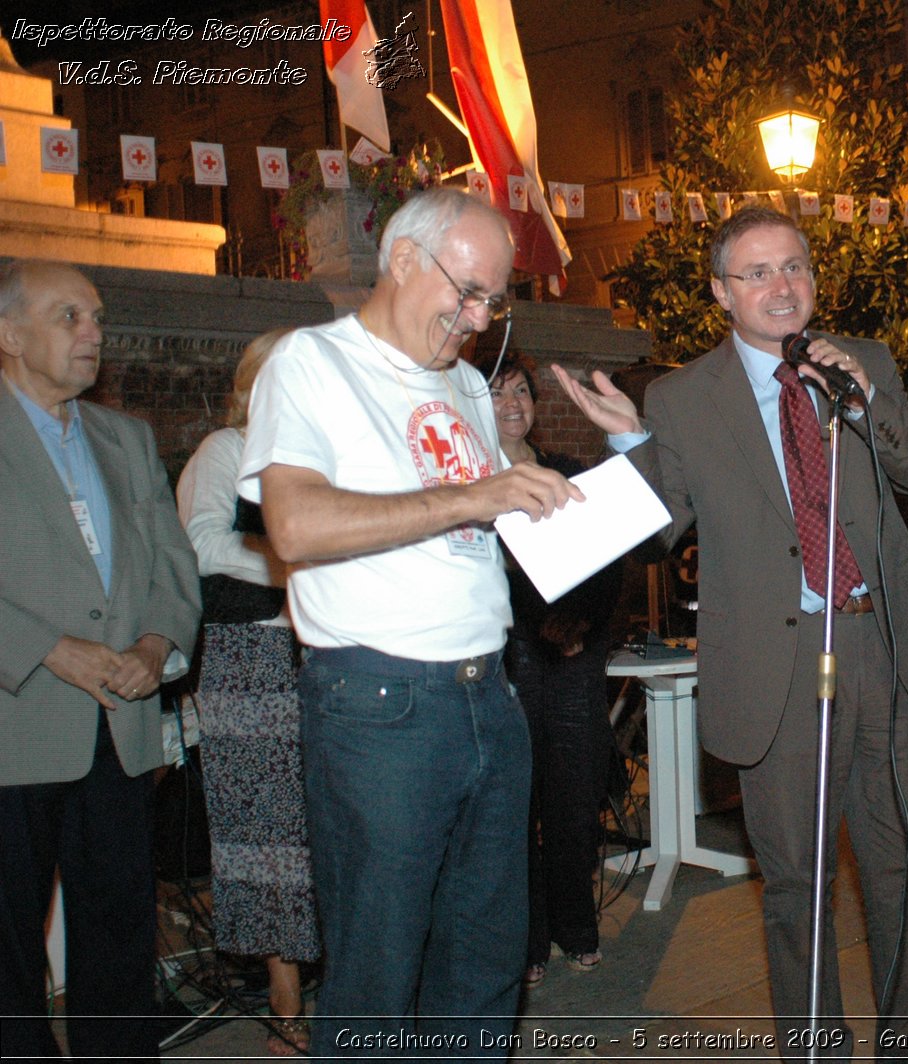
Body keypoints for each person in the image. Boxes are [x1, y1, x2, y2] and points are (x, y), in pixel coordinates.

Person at [555, 205, 908, 1059]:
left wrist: (867, 395)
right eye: (759, 273)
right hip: (779, 664)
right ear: (721, 292)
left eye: (796, 267)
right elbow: (662, 532)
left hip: (883, 644)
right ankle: (816, 1047)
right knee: (797, 886)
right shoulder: (680, 397)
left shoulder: (863, 363)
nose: (783, 287)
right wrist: (629, 439)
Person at [236, 188, 583, 1057]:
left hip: (488, 697)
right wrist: (477, 493)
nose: (474, 321)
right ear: (401, 261)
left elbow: (476, 529)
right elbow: (297, 526)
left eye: (492, 301)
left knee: (485, 961)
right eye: (466, 293)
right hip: (379, 706)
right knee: (377, 969)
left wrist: (591, 488)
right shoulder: (311, 364)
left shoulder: (464, 382)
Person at [0, 259, 202, 1060]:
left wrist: (156, 643)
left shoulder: (127, 437)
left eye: (96, 317)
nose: (93, 335)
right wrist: (49, 650)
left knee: (120, 934)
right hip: (16, 726)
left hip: (120, 728)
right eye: (68, 317)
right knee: (9, 946)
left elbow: (173, 563)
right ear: (10, 335)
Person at [176, 329, 318, 1055]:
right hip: (248, 663)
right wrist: (295, 566)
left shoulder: (321, 458)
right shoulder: (225, 452)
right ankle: (285, 996)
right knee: (265, 836)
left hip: (321, 660)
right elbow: (199, 543)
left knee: (324, 826)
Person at [487, 355, 621, 986]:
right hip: (506, 653)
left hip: (571, 654)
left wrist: (581, 627)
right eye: (497, 393)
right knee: (518, 802)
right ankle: (528, 937)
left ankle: (576, 926)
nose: (513, 404)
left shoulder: (564, 473)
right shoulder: (469, 481)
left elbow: (605, 559)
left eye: (521, 391)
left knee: (574, 794)